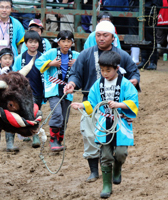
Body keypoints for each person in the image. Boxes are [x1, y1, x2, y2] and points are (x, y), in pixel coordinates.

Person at [63, 20, 140, 183]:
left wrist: (133, 80)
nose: (101, 38)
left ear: (113, 37)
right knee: (90, 135)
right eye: (98, 35)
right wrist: (72, 83)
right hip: (91, 103)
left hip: (116, 107)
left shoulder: (122, 55)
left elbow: (134, 71)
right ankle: (93, 170)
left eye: (105, 35)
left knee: (116, 142)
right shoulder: (85, 54)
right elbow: (75, 73)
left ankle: (115, 167)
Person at [70, 51, 139, 198]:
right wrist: (82, 106)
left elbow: (133, 102)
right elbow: (93, 103)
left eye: (108, 70)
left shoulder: (125, 84)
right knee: (106, 155)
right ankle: (107, 185)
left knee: (121, 153)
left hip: (120, 122)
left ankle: (118, 167)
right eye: (102, 70)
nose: (105, 73)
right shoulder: (98, 84)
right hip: (104, 122)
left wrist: (119, 104)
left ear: (117, 68)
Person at [35, 30, 79, 151]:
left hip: (68, 89)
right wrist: (50, 63)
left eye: (69, 41)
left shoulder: (76, 55)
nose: (66, 44)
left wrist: (77, 64)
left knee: (64, 117)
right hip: (53, 88)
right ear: (58, 42)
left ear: (72, 42)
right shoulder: (52, 53)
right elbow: (38, 62)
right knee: (57, 113)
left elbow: (85, 66)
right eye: (63, 41)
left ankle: (59, 140)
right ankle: (53, 139)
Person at [12, 30, 43, 149]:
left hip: (38, 89)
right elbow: (15, 73)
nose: (33, 44)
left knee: (36, 112)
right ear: (25, 43)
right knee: (27, 111)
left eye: (35, 42)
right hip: (24, 91)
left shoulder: (42, 57)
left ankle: (34, 134)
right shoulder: (20, 57)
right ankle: (32, 134)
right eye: (30, 42)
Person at [129, 0, 162, 70]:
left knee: (150, 36)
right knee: (141, 37)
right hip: (138, 10)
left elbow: (158, 3)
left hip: (149, 12)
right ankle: (144, 60)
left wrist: (153, 10)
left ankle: (153, 61)